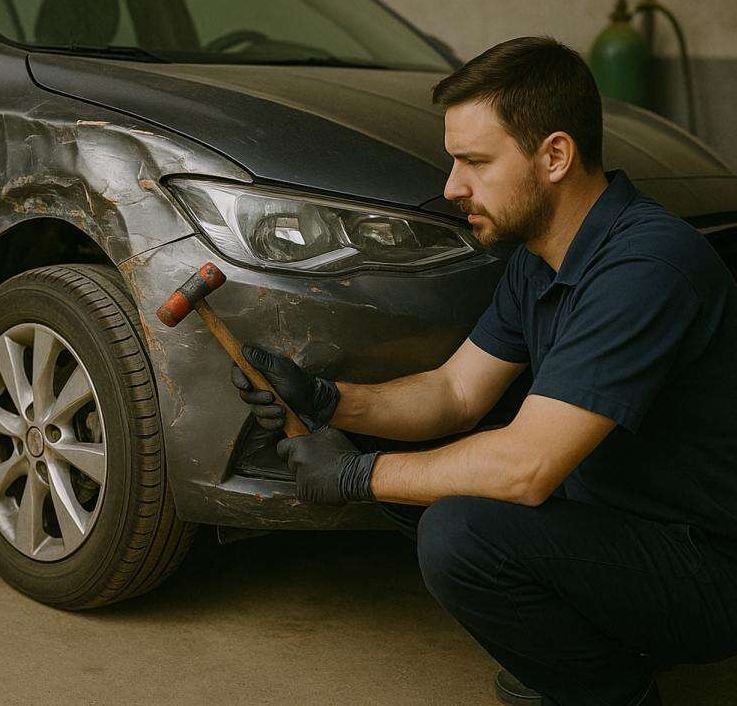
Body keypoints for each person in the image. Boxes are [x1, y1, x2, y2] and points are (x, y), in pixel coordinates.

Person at [230, 36, 737, 706]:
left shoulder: (646, 267)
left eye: (473, 161)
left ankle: (612, 688)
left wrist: (352, 477)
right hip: (613, 521)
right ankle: (588, 649)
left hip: (706, 568)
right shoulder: (541, 257)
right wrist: (329, 403)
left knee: (459, 529)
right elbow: (452, 394)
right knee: (413, 464)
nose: (451, 187)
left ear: (553, 155)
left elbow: (525, 468)